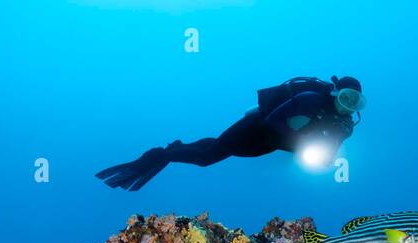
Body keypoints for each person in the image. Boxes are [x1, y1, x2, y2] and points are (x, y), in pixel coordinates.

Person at [96, 75, 365, 191]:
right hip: (256, 127)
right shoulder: (309, 99)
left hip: (267, 146)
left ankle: (179, 145)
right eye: (347, 97)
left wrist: (323, 157)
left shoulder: (344, 126)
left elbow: (328, 153)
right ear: (335, 91)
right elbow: (272, 119)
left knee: (216, 147)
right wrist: (301, 141)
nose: (348, 105)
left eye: (355, 102)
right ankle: (164, 154)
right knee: (208, 157)